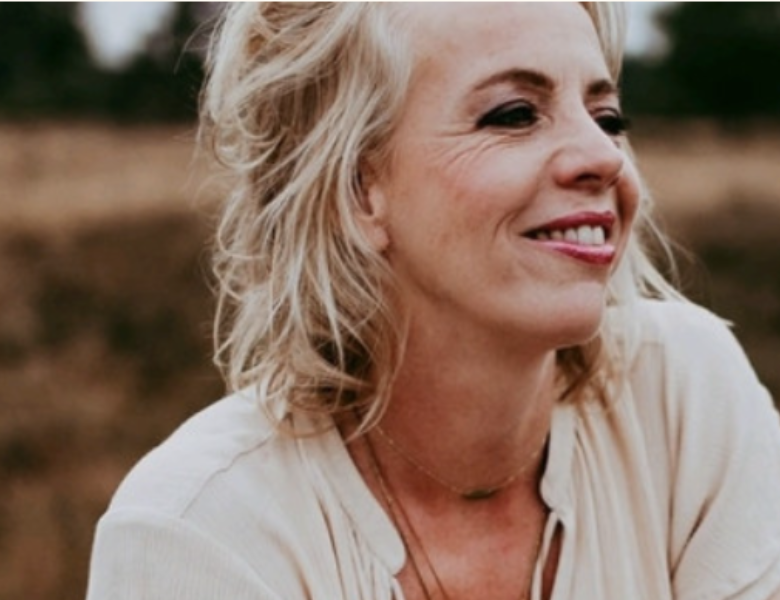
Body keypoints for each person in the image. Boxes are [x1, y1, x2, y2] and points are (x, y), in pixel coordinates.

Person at [85, 3, 780, 599]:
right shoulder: (196, 535)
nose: (603, 157)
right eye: (514, 114)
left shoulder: (686, 398)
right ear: (358, 191)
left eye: (607, 116)